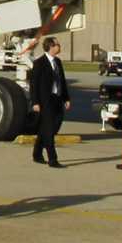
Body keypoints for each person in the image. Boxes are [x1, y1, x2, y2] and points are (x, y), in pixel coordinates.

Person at [29, 37, 71, 167]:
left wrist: (66, 98)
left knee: (53, 126)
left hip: (57, 99)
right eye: (57, 44)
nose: (59, 46)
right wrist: (35, 102)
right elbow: (34, 84)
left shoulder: (58, 62)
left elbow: (62, 81)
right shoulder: (39, 63)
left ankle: (37, 153)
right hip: (45, 100)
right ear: (51, 47)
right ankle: (53, 159)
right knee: (48, 130)